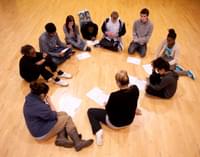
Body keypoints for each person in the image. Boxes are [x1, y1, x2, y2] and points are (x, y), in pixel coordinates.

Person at [23, 81, 93, 151]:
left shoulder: (30, 97)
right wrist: (50, 102)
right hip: (41, 133)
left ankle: (61, 138)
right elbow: (54, 115)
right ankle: (78, 142)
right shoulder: (39, 107)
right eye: (45, 94)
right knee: (67, 118)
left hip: (38, 125)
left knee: (63, 113)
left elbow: (49, 114)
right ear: (42, 95)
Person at [87, 70, 141, 146]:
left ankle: (98, 131)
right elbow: (133, 100)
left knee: (90, 111)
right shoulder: (135, 89)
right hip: (129, 121)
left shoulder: (114, 95)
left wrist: (106, 104)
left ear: (118, 83)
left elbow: (108, 111)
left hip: (115, 124)